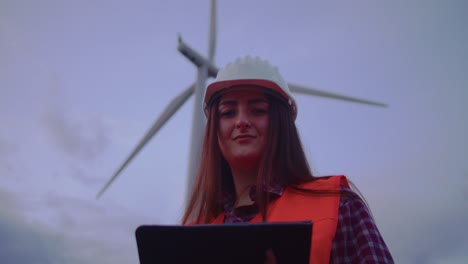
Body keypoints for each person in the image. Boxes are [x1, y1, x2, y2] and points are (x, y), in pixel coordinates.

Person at [182, 56, 394, 263]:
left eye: (258, 110)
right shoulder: (187, 237)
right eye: (228, 113)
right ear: (213, 130)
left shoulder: (340, 207)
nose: (242, 121)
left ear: (281, 123)